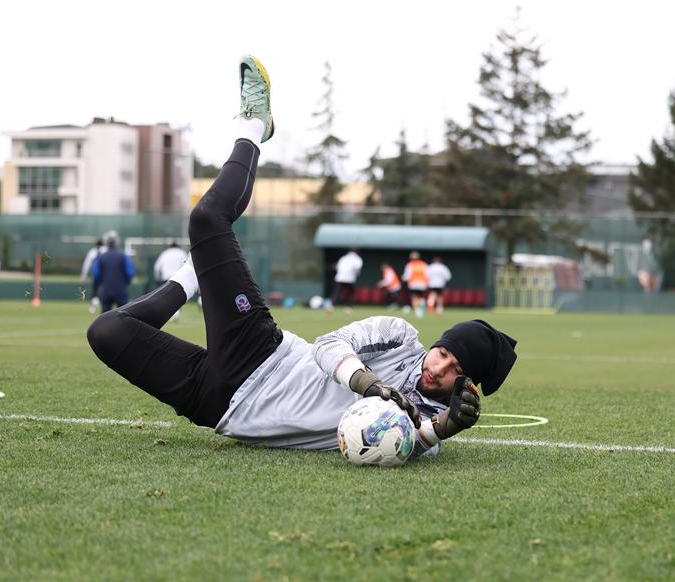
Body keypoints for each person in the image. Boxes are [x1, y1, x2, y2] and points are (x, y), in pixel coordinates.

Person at [87, 55, 517, 460]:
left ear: (467, 384)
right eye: (444, 351)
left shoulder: (424, 418)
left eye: (454, 367)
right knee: (206, 219)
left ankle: (194, 270)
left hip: (217, 407)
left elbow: (413, 444)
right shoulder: (401, 336)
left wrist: (443, 430)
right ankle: (254, 123)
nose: (438, 366)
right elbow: (330, 345)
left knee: (107, 331)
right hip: (262, 356)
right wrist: (366, 382)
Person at [154, 241, 198, 320]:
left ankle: (170, 313)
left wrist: (157, 278)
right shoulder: (181, 253)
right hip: (178, 277)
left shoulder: (165, 253)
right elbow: (187, 264)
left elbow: (157, 267)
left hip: (166, 277)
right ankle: (175, 313)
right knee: (177, 297)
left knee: (167, 297)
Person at [92, 234, 135, 313]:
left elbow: (96, 274)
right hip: (121, 290)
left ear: (107, 243)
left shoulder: (101, 257)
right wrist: (126, 282)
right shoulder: (124, 256)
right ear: (117, 243)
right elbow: (130, 273)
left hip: (106, 290)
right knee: (123, 316)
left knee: (105, 317)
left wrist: (101, 282)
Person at [329, 248, 362, 314]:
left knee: (337, 292)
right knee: (351, 294)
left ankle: (331, 307)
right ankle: (348, 308)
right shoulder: (358, 259)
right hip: (350, 279)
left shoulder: (343, 258)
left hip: (340, 278)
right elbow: (358, 268)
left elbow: (338, 267)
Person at [81, 238, 106, 313]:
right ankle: (98, 304)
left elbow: (87, 264)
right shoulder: (106, 251)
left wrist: (83, 275)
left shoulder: (92, 252)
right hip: (105, 275)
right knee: (103, 291)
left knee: (95, 290)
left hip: (96, 275)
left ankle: (94, 305)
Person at [402, 251, 429, 317]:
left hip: (413, 284)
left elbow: (407, 276)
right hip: (422, 284)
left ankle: (418, 311)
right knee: (420, 297)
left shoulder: (410, 265)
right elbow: (427, 275)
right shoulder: (423, 264)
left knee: (414, 298)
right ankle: (421, 307)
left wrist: (403, 279)